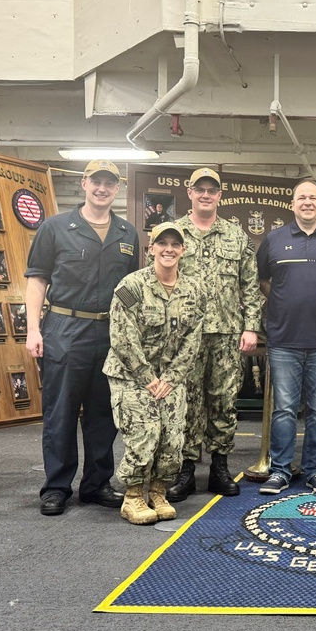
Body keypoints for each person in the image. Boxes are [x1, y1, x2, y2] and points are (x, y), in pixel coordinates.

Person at [25, 159, 140, 517]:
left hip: (110, 333)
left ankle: (96, 484)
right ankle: (57, 487)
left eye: (110, 183)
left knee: (104, 412)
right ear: (84, 183)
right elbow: (37, 281)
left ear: (117, 188)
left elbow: (132, 289)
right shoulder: (56, 227)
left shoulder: (127, 233)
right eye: (96, 181)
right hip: (64, 329)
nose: (102, 188)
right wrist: (32, 329)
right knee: (60, 411)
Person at [165, 168, 263, 502]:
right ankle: (187, 469)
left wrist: (251, 327)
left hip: (226, 333)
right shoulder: (173, 233)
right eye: (200, 189)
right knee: (188, 402)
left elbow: (250, 286)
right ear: (189, 192)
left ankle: (220, 466)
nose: (206, 195)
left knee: (223, 401)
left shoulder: (236, 235)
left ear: (220, 195)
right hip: (185, 336)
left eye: (212, 190)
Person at [256, 179, 316, 495]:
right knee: (284, 408)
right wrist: (287, 304)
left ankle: (315, 471)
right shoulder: (273, 240)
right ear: (293, 204)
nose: (307, 202)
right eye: (302, 197)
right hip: (284, 339)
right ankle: (281, 471)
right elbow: (264, 282)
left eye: (313, 197)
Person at [103, 222, 204, 525]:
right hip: (132, 376)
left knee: (173, 438)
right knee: (144, 434)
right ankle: (133, 497)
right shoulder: (131, 287)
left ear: (183, 250)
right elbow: (122, 336)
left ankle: (158, 492)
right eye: (162, 244)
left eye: (175, 244)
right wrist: (149, 378)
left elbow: (193, 338)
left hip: (171, 379)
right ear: (151, 249)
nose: (169, 249)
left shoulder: (193, 289)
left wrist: (171, 378)